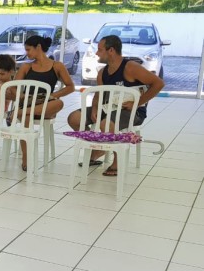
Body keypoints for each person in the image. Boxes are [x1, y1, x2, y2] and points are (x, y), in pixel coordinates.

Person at [67, 34, 164, 176]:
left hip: (131, 111)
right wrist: (94, 108)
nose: (96, 53)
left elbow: (159, 83)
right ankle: (99, 147)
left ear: (111, 50)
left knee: (106, 124)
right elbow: (98, 94)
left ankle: (117, 161)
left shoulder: (131, 67)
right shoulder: (102, 73)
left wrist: (138, 103)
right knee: (74, 118)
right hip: (108, 108)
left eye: (100, 50)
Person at [14, 35, 75, 171]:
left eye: (29, 49)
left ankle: (19, 112)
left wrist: (53, 95)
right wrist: (24, 96)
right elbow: (13, 88)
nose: (27, 53)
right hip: (28, 103)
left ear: (39, 47)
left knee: (59, 103)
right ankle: (26, 158)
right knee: (27, 118)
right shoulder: (26, 67)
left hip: (46, 104)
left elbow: (71, 87)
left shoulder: (57, 66)